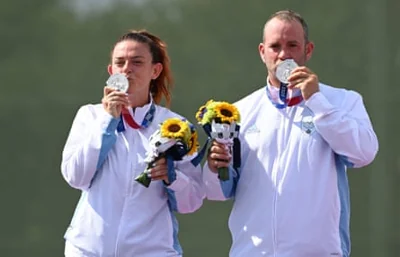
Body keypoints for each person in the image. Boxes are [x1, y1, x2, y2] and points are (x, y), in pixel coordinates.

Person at [203, 10, 378, 257]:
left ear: (308, 50)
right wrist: (213, 169)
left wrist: (317, 101)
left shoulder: (341, 101)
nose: (284, 54)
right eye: (275, 46)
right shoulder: (238, 112)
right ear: (262, 52)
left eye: (292, 45)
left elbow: (364, 153)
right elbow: (216, 192)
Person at [61, 29, 204, 257]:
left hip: (152, 251)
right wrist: (108, 121)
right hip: (88, 250)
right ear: (111, 71)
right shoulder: (90, 116)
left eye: (137, 62)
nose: (127, 68)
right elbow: (75, 176)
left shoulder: (176, 126)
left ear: (155, 71)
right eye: (120, 62)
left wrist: (172, 178)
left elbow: (192, 201)